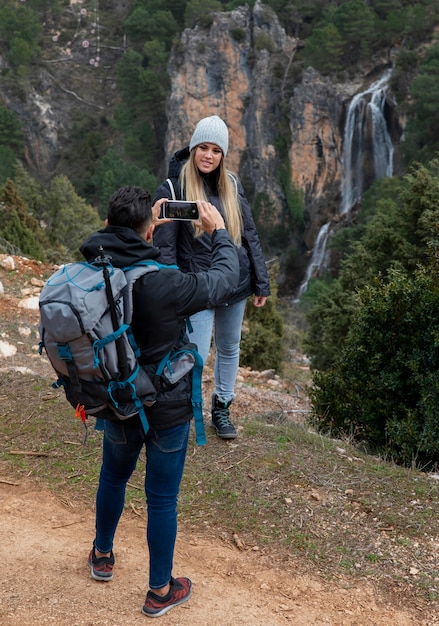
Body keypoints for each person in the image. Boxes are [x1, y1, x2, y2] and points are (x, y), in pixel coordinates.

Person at [79, 185, 239, 617]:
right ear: (149, 229)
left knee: (113, 476)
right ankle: (159, 591)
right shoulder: (165, 282)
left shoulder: (93, 265)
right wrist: (219, 232)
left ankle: (102, 555)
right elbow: (224, 280)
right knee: (162, 498)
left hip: (118, 400)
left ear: (110, 223)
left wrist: (140, 225)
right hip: (165, 407)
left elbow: (112, 234)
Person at [153, 115, 270, 440]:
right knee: (195, 352)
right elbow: (165, 246)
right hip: (197, 286)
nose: (208, 155)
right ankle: (186, 411)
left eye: (216, 150)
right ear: (193, 149)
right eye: (203, 147)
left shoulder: (231, 185)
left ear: (223, 155)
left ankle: (221, 407)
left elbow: (248, 235)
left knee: (230, 347)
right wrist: (171, 286)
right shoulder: (174, 187)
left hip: (235, 282)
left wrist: (261, 281)